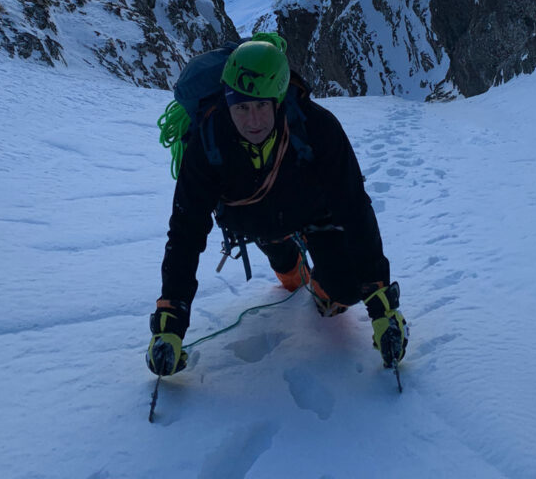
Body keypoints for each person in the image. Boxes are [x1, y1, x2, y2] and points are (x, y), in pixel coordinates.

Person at [147, 38, 409, 377]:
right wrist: (171, 321)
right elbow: (186, 232)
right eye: (241, 107)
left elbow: (354, 208)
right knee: (283, 263)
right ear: (227, 102)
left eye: (261, 107)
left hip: (315, 214)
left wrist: (381, 305)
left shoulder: (318, 128)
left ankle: (319, 286)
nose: (252, 121)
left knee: (346, 289)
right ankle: (289, 263)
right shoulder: (208, 140)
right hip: (253, 221)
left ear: (279, 101)